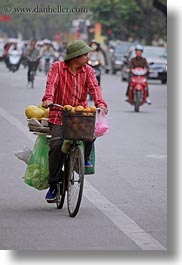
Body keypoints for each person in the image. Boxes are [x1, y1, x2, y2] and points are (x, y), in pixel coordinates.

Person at [41, 40, 108, 202]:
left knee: (90, 135)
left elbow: (95, 88)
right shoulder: (57, 67)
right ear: (75, 57)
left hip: (79, 115)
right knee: (56, 145)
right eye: (85, 54)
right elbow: (51, 84)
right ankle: (53, 184)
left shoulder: (89, 71)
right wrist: (48, 99)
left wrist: (101, 104)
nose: (87, 57)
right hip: (58, 114)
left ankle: (82, 159)